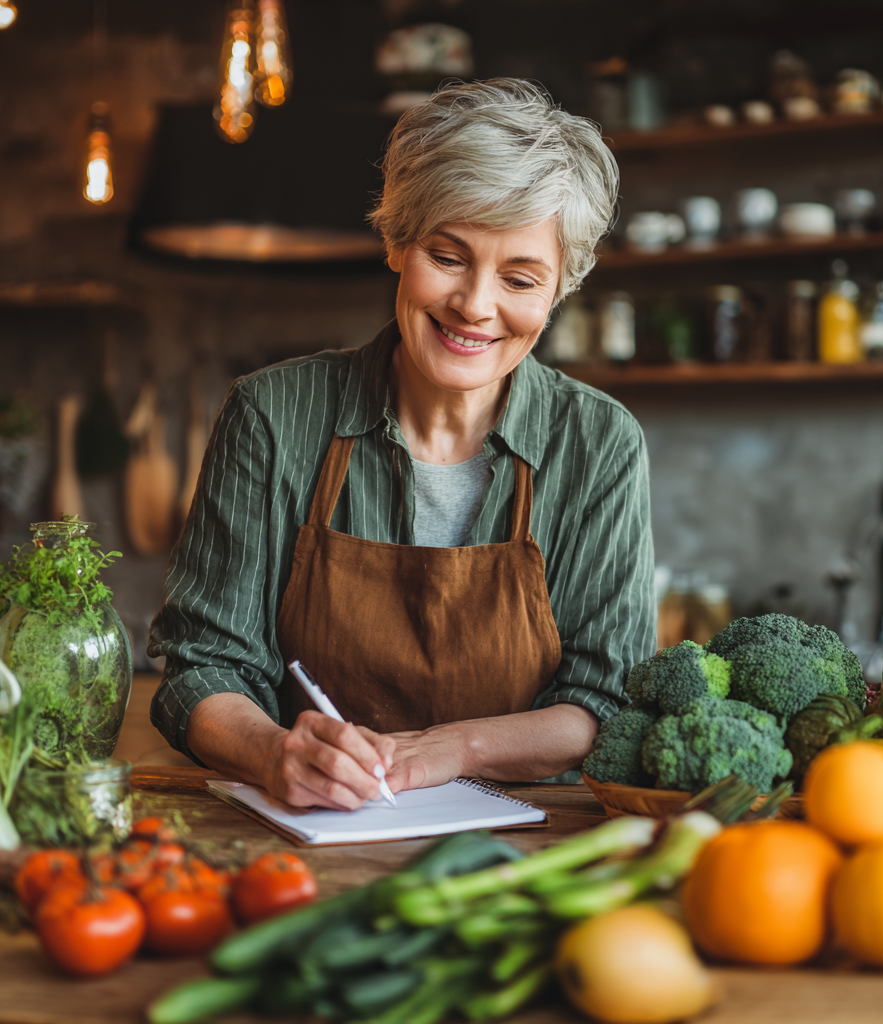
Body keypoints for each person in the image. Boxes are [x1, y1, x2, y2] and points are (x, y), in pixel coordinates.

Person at [150, 79, 655, 810]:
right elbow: (204, 664)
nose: (476, 306)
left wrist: (451, 748)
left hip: (529, 844)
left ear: (559, 290)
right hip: (309, 831)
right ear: (396, 241)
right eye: (448, 257)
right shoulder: (272, 414)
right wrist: (272, 752)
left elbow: (606, 700)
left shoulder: (600, 444)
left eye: (519, 277)